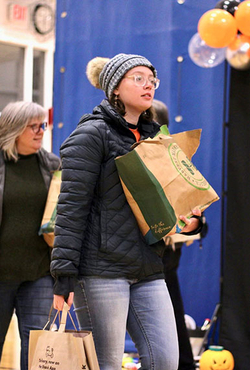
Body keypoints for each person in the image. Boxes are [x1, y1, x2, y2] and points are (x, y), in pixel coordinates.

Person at [50, 53, 203, 370]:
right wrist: (63, 275)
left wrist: (189, 223)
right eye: (138, 78)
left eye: (152, 80)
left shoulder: (155, 137)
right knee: (105, 363)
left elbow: (166, 202)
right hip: (100, 269)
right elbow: (70, 209)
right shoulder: (90, 135)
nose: (148, 85)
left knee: (164, 361)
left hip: (148, 267)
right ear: (114, 88)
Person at [0, 101, 60, 370]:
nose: (40, 132)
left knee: (38, 355)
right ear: (13, 130)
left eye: (43, 125)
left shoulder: (52, 166)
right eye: (33, 127)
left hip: (39, 274)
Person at [152, 99, 207, 370]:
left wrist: (193, 224)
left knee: (171, 324)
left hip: (163, 262)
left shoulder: (176, 159)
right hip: (129, 257)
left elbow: (199, 220)